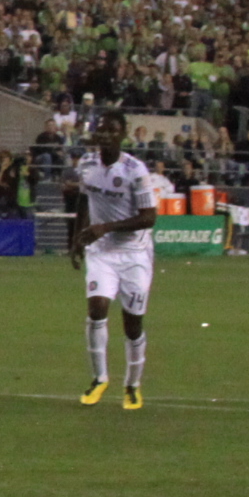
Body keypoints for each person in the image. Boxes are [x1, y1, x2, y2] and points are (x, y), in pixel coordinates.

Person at [73, 111, 159, 409]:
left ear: (123, 134)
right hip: (101, 253)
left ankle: (132, 385)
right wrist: (77, 239)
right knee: (96, 308)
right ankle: (100, 378)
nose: (106, 135)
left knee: (132, 324)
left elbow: (149, 217)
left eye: (113, 130)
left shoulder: (136, 170)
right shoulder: (86, 164)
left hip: (135, 254)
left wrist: (105, 227)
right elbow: (84, 200)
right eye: (102, 130)